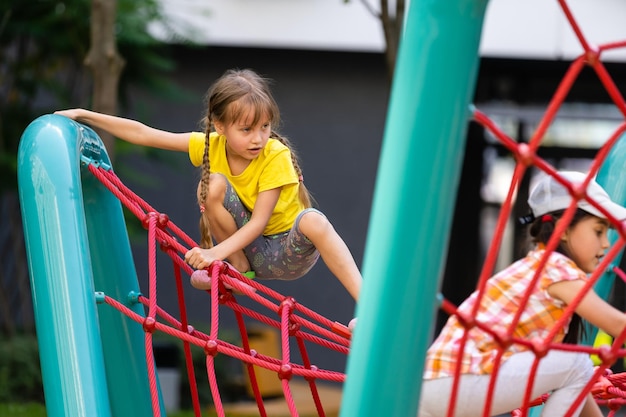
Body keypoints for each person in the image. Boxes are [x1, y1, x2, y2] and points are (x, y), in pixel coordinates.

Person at [55, 68, 362, 301]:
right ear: (220, 127)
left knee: (314, 220)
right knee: (213, 183)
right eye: (246, 129)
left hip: (287, 251)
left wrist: (214, 254)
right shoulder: (209, 146)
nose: (258, 138)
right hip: (249, 253)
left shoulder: (275, 155)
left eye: (265, 127)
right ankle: (238, 270)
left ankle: (367, 306)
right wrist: (85, 115)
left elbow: (259, 223)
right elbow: (144, 133)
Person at [418, 171, 626, 417]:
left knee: (575, 367)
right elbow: (617, 324)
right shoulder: (557, 269)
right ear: (563, 229)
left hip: (437, 388)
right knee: (578, 362)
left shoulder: (537, 268)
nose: (606, 243)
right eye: (599, 231)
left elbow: (575, 383)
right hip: (458, 381)